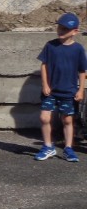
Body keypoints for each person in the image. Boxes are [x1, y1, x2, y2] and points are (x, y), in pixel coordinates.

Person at [34, 12, 86, 162]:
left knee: (67, 120)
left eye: (65, 29)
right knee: (44, 118)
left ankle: (68, 148)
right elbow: (44, 65)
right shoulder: (50, 46)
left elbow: (82, 71)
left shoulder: (78, 49)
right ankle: (47, 146)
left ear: (75, 31)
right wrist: (45, 84)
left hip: (69, 92)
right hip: (50, 91)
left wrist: (80, 90)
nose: (61, 31)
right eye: (60, 28)